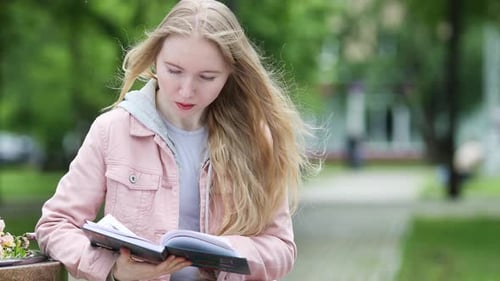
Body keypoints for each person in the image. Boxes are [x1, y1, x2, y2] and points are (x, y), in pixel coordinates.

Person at [35, 0, 319, 280]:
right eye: (174, 70)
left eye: (207, 77)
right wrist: (112, 269)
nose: (186, 91)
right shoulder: (112, 130)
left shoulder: (255, 140)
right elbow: (55, 225)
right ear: (155, 57)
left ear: (231, 73)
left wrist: (229, 253)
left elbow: (281, 247)